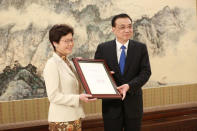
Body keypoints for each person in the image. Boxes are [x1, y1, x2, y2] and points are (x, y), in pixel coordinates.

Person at [94, 13, 151, 131]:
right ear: (113, 29)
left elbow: (146, 72)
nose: (127, 30)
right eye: (122, 27)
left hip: (133, 104)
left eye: (130, 26)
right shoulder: (103, 48)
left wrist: (129, 86)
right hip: (111, 106)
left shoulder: (140, 48)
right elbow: (96, 73)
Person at [43, 24, 96, 131]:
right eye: (66, 41)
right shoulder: (52, 64)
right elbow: (53, 96)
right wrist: (78, 98)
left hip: (75, 117)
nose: (70, 44)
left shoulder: (69, 62)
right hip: (61, 120)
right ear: (55, 43)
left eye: (71, 40)